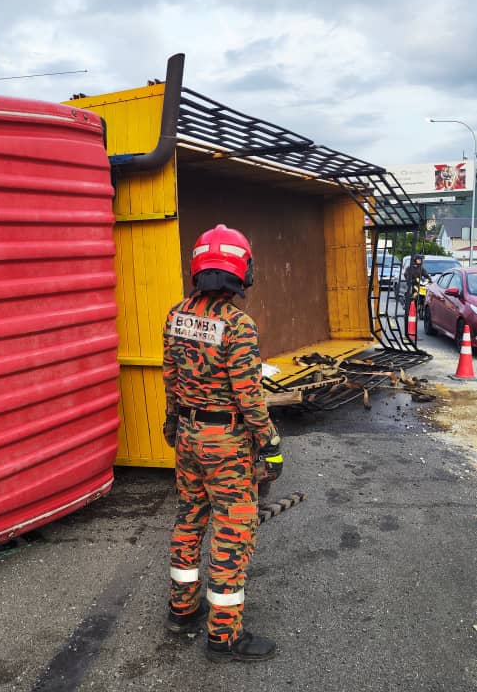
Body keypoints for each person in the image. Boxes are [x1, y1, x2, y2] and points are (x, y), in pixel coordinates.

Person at [162, 223, 283, 663]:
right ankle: (224, 635)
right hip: (227, 444)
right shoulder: (238, 325)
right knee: (232, 532)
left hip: (190, 439)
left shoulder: (176, 316)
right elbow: (249, 396)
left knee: (189, 520)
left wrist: (173, 424)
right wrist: (270, 444)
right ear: (240, 268)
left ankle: (182, 609)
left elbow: (171, 380)